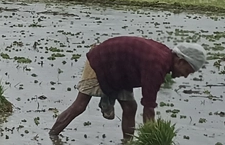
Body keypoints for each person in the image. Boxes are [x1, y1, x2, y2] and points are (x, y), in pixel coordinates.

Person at [48, 37, 207, 139]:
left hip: (121, 71)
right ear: (180, 62)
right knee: (80, 105)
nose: (185, 76)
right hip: (101, 62)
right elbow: (149, 108)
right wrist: (153, 141)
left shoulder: (164, 59)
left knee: (130, 107)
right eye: (188, 71)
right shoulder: (157, 65)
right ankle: (52, 135)